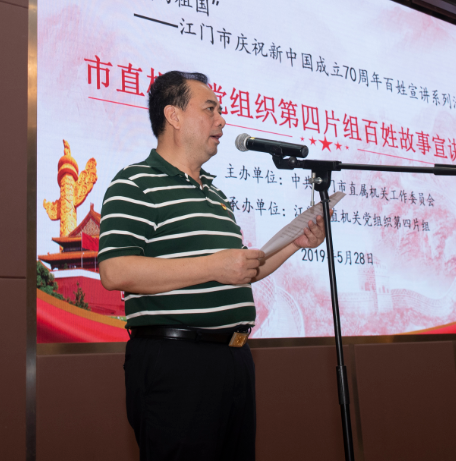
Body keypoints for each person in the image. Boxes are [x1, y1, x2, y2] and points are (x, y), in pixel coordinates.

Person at [98, 70, 325, 461]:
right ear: (173, 116)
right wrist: (213, 267)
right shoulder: (134, 183)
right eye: (210, 109)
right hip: (177, 362)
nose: (222, 121)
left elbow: (241, 271)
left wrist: (295, 243)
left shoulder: (215, 194)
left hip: (234, 359)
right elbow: (114, 271)